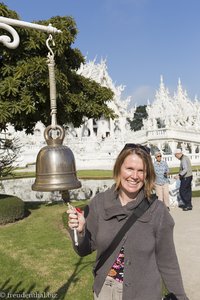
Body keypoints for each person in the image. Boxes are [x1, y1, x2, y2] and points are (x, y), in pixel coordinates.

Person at [67, 143, 189, 300]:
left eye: (141, 171)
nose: (135, 176)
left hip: (144, 293)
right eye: (129, 169)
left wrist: (180, 297)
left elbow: (168, 262)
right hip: (105, 291)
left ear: (147, 175)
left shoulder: (157, 211)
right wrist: (81, 231)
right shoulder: (99, 202)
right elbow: (83, 250)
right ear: (119, 169)